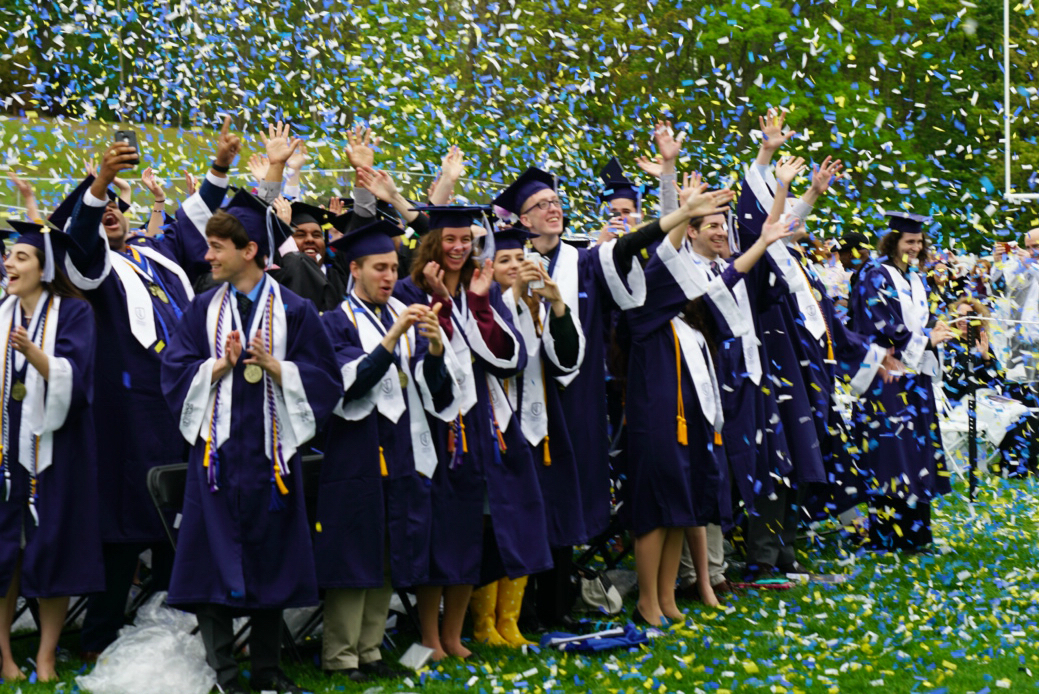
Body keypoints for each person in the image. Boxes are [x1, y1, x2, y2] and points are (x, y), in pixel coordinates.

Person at [54, 122, 239, 659]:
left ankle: (165, 627)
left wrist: (220, 167)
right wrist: (99, 182)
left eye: (116, 202)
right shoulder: (88, 267)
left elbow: (193, 220)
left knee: (178, 514)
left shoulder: (154, 255)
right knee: (126, 520)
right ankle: (100, 636)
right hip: (125, 412)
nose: (110, 208)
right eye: (100, 206)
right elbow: (81, 240)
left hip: (180, 402)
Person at [160, 189, 340, 694]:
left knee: (272, 558)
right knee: (210, 559)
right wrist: (219, 365)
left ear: (250, 250)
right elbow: (174, 371)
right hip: (217, 460)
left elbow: (326, 379)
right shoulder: (202, 310)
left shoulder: (295, 310)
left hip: (270, 458)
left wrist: (277, 367)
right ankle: (223, 672)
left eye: (217, 247)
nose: (207, 256)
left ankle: (267, 669)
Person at [394, 205, 552, 660]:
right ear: (433, 243)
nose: (459, 247)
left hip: (482, 420)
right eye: (450, 239)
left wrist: (479, 304)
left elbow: (507, 357)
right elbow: (426, 353)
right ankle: (429, 635)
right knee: (438, 528)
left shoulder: (480, 289)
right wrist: (442, 303)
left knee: (469, 527)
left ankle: (454, 634)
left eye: (466, 239)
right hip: (436, 422)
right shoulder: (409, 290)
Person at [316, 219, 458, 682]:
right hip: (356, 451)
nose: (389, 277)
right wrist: (394, 336)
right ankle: (341, 655)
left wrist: (434, 350)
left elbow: (435, 392)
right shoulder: (334, 322)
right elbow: (349, 386)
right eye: (379, 268)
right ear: (355, 269)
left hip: (402, 447)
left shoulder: (408, 316)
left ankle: (372, 649)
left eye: (394, 268)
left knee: (389, 549)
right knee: (355, 549)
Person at [0, 223, 103, 682]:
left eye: (21, 257)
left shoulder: (75, 313)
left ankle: (45, 655)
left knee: (53, 545)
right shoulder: (2, 313)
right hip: (5, 451)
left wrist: (32, 352)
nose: (8, 262)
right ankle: (4, 656)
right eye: (9, 255)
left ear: (44, 269)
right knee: (5, 552)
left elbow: (77, 381)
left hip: (56, 449)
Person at [481, 226, 583, 646]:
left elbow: (567, 360)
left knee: (528, 522)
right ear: (488, 268)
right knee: (500, 526)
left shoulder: (537, 305)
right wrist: (514, 297)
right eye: (504, 260)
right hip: (499, 426)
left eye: (520, 259)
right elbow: (504, 353)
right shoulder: (488, 305)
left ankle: (512, 620)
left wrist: (557, 305)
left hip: (539, 425)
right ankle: (484, 622)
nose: (515, 267)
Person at [850, 211, 955, 552]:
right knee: (890, 453)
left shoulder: (914, 277)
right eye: (910, 241)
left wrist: (938, 328)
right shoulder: (875, 275)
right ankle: (888, 535)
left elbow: (920, 319)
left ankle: (917, 534)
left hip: (915, 377)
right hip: (887, 376)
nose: (916, 247)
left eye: (919, 241)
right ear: (894, 241)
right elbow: (881, 324)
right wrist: (926, 339)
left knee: (917, 452)